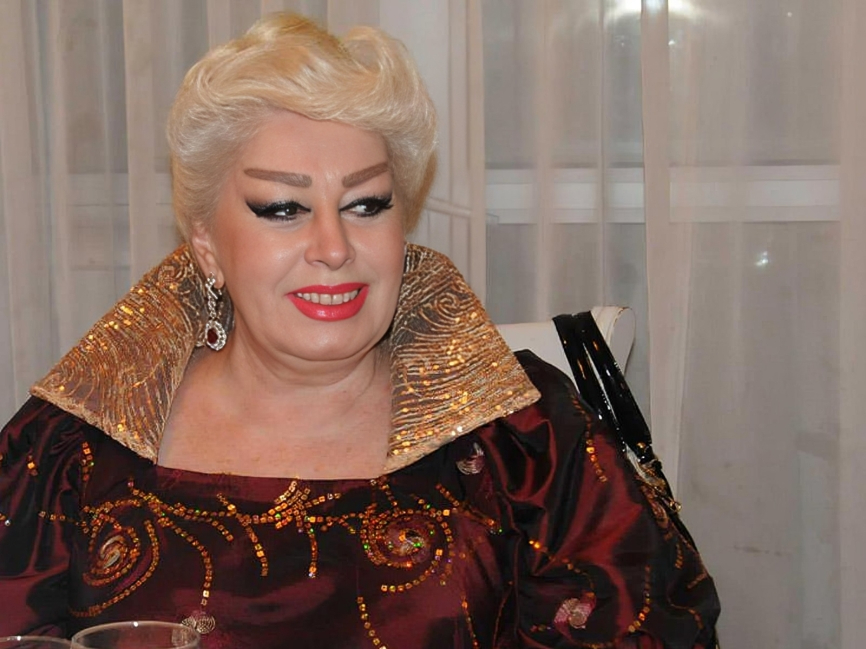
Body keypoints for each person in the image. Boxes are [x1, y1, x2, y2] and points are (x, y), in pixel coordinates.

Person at [0, 13, 719, 648]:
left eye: (367, 204)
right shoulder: (69, 452)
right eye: (282, 208)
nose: (333, 247)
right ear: (207, 245)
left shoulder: (523, 439)